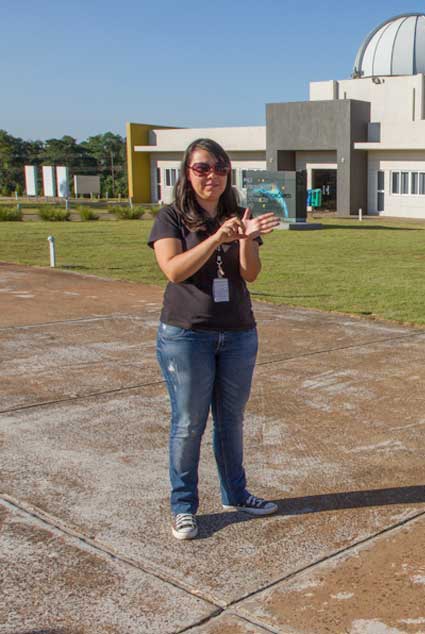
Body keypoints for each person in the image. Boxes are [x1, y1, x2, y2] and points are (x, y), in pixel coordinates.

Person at [148, 138, 281, 540]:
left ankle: (236, 494)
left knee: (231, 421)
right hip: (187, 335)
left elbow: (250, 274)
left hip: (239, 332)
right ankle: (184, 507)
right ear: (187, 173)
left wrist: (245, 236)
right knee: (189, 423)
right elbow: (173, 270)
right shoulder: (171, 218)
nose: (212, 175)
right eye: (203, 167)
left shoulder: (238, 215)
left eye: (220, 168)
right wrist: (217, 238)